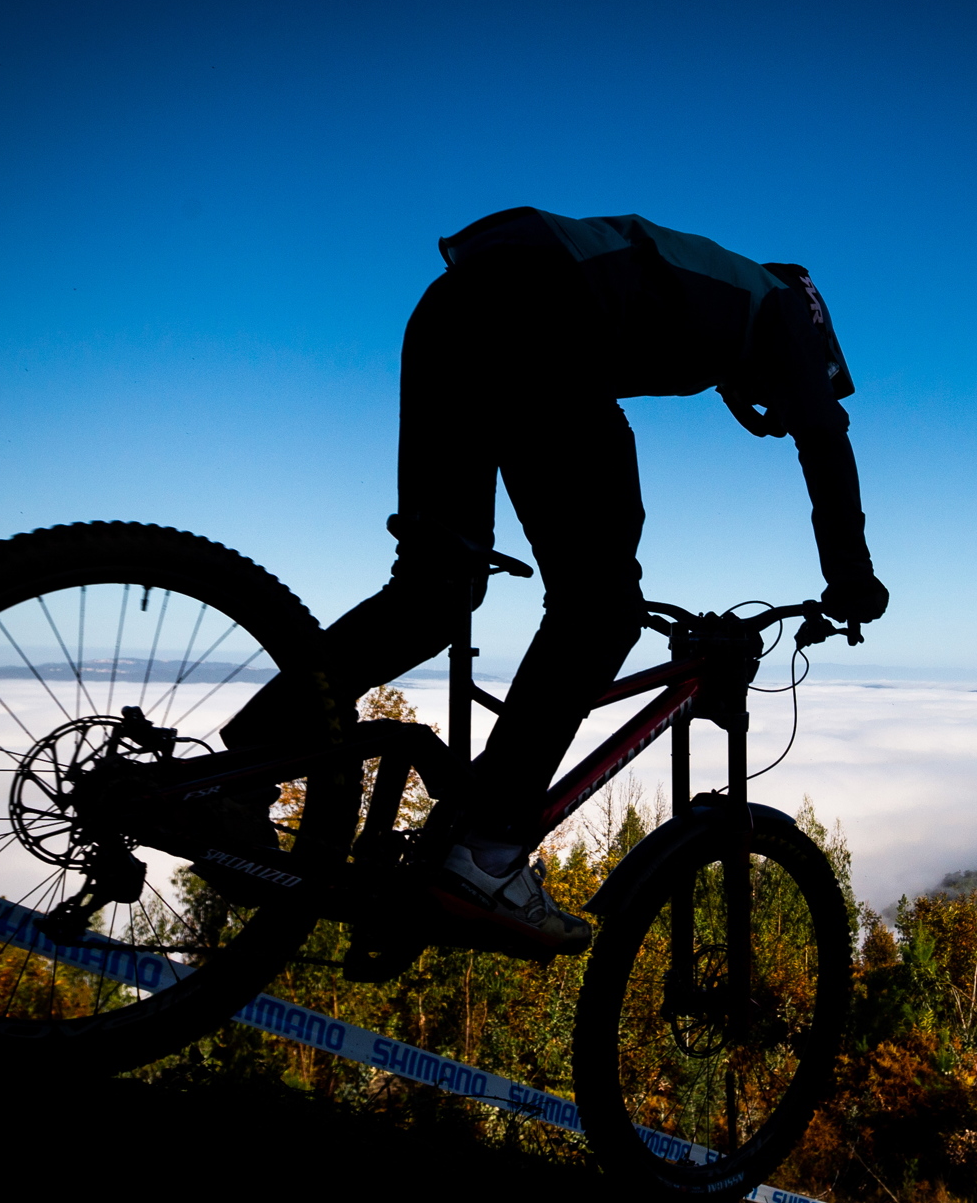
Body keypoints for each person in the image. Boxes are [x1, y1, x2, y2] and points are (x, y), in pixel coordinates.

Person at [224, 208, 886, 954]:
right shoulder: (782, 304)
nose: (774, 397)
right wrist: (852, 577)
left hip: (454, 309)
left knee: (433, 592)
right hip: (541, 309)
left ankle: (242, 765)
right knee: (600, 610)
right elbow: (825, 436)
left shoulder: (703, 283)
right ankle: (487, 848)